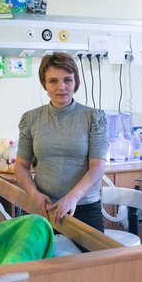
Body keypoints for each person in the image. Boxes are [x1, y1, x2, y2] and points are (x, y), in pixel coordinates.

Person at [14, 52, 109, 233]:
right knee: (42, 252)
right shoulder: (31, 118)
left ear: (76, 82)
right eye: (53, 81)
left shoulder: (94, 117)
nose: (61, 87)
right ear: (44, 84)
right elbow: (20, 166)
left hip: (84, 207)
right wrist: (34, 195)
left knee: (93, 253)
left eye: (67, 80)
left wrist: (73, 197)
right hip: (44, 208)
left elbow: (97, 166)